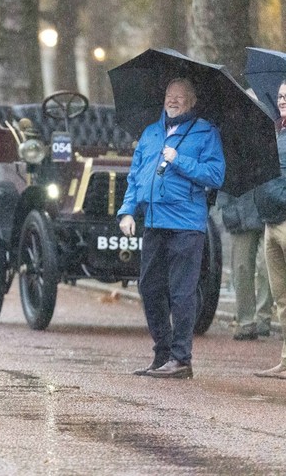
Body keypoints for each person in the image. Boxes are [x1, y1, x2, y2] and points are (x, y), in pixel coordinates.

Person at [118, 77, 225, 379]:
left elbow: (215, 175)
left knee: (181, 292)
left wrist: (180, 161)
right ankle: (162, 353)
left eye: (180, 96)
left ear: (192, 101)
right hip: (154, 220)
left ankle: (182, 359)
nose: (173, 100)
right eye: (169, 95)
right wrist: (127, 211)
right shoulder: (151, 133)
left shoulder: (206, 132)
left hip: (187, 223)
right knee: (149, 288)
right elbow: (136, 176)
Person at [254, 80, 286, 380]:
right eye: (279, 96)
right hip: (270, 220)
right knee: (281, 296)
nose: (282, 100)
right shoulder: (276, 130)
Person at [218, 189, 273, 340]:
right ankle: (246, 322)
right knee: (241, 268)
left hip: (272, 211)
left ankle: (263, 319)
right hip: (240, 214)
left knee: (268, 266)